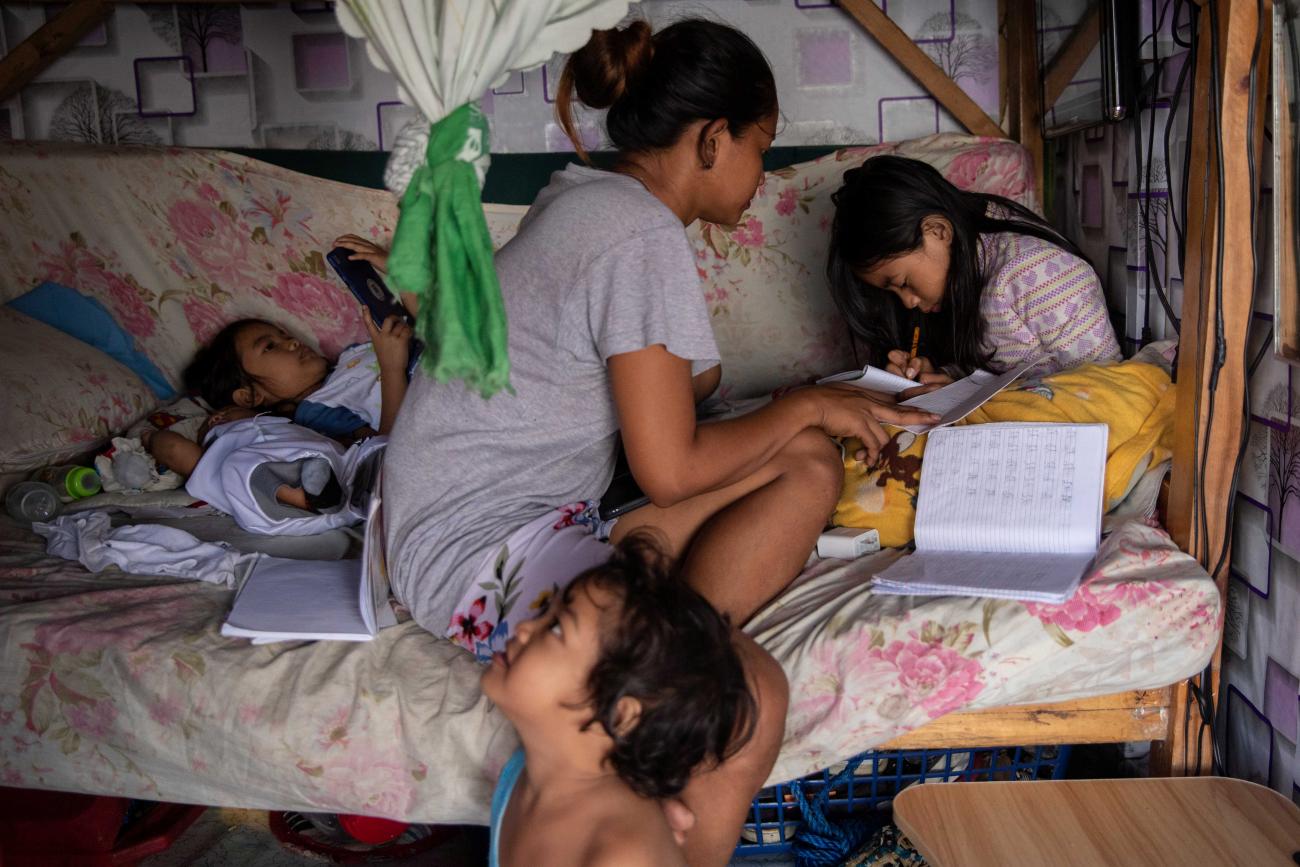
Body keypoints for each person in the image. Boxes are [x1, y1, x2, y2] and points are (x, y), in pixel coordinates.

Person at [382, 18, 936, 865]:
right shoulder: (635, 232)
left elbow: (691, 386)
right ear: (712, 140)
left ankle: (656, 638)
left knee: (805, 454)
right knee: (754, 674)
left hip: (477, 519)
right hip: (474, 547)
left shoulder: (590, 201)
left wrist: (801, 410)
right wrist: (804, 406)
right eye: (763, 145)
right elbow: (670, 468)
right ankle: (664, 681)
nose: (766, 171)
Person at [483, 537, 754, 867]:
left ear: (620, 714)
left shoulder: (625, 855)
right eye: (545, 613)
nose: (524, 627)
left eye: (556, 628)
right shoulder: (525, 774)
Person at [827, 154, 1121, 385]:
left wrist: (973, 396)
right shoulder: (961, 288)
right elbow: (1001, 370)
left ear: (938, 232)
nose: (908, 302)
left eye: (903, 283)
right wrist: (947, 376)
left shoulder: (1038, 274)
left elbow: (1108, 385)